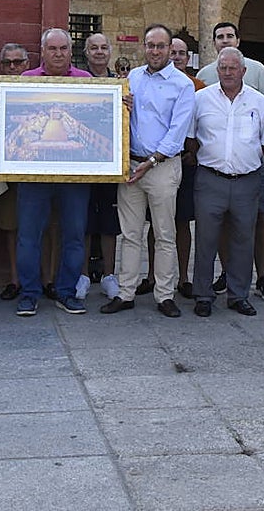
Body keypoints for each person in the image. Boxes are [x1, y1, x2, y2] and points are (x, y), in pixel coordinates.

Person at [101, 24, 195, 318]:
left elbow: (177, 132)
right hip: (130, 165)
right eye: (150, 45)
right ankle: (126, 293)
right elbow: (122, 120)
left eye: (161, 46)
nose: (155, 51)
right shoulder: (132, 78)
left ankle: (164, 295)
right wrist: (122, 104)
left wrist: (151, 162)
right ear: (144, 47)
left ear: (170, 49)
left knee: (164, 234)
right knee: (129, 234)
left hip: (162, 167)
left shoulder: (183, 85)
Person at [8, 28, 93, 316]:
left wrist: (122, 106)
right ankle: (29, 293)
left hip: (75, 176)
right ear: (42, 51)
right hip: (34, 175)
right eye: (52, 49)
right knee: (29, 235)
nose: (58, 54)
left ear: (71, 51)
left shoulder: (87, 81)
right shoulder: (26, 81)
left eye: (63, 49)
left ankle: (66, 292)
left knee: (74, 234)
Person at [195, 21, 264, 304]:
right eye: (223, 68)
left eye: (233, 68)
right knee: (206, 240)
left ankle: (238, 295)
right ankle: (203, 296)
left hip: (246, 180)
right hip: (210, 179)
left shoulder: (259, 102)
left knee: (244, 239)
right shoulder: (200, 99)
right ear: (216, 71)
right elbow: (191, 137)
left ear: (244, 71)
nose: (228, 72)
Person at [82, 33, 120, 299]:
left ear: (110, 52)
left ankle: (109, 274)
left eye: (103, 48)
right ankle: (82, 275)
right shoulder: (77, 80)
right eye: (93, 48)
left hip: (109, 162)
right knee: (82, 221)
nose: (98, 52)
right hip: (81, 165)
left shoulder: (120, 84)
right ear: (86, 52)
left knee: (109, 222)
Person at [0, 42, 29, 301]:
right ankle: (16, 280)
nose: (13, 67)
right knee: (10, 226)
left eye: (18, 62)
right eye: (8, 63)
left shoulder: (38, 85)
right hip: (7, 169)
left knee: (45, 226)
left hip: (38, 170)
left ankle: (42, 279)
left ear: (27, 64)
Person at [170, 37, 204, 298]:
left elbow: (205, 126)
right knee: (156, 225)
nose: (176, 57)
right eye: (173, 52)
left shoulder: (199, 88)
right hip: (158, 164)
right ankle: (152, 276)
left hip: (187, 162)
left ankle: (183, 277)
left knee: (182, 222)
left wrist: (195, 152)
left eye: (181, 53)